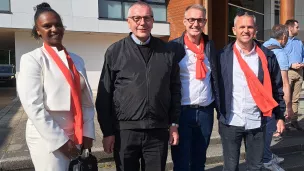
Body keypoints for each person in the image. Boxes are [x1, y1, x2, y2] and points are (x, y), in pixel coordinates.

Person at [95, 2, 181, 171]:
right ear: (129, 21)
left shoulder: (167, 52)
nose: (142, 22)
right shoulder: (115, 51)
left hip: (157, 132)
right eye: (137, 18)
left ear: (153, 21)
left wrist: (174, 124)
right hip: (125, 132)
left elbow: (175, 90)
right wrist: (107, 132)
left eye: (147, 18)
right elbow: (104, 95)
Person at [17, 3, 95, 171]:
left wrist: (88, 133)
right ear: (38, 30)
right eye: (47, 26)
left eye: (57, 24)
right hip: (47, 138)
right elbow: (33, 106)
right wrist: (61, 141)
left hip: (77, 133)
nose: (54, 29)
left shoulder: (77, 60)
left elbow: (86, 102)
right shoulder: (32, 59)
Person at [217, 11, 285, 171]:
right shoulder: (222, 56)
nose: (245, 30)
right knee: (230, 167)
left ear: (255, 30)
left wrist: (280, 116)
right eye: (241, 27)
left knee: (255, 167)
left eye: (249, 27)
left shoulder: (268, 56)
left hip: (257, 121)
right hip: (231, 122)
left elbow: (277, 88)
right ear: (234, 30)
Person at [168, 4, 218, 171]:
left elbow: (216, 78)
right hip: (181, 113)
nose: (195, 24)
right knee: (181, 162)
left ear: (204, 22)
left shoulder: (211, 46)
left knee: (199, 160)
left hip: (205, 112)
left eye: (200, 20)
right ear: (184, 21)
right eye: (191, 20)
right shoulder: (173, 47)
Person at [263, 24, 293, 171]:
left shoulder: (261, 47)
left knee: (264, 129)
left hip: (259, 97)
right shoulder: (280, 53)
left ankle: (268, 155)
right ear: (284, 37)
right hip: (271, 98)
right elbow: (284, 83)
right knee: (269, 128)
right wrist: (287, 107)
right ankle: (266, 160)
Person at [284, 19, 304, 131]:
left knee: (295, 99)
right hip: (288, 72)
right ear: (290, 28)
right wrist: (291, 65)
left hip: (299, 73)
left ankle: (294, 121)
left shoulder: (299, 42)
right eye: (297, 27)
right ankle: (283, 121)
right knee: (285, 97)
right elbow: (279, 58)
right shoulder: (283, 41)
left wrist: (302, 63)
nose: (298, 29)